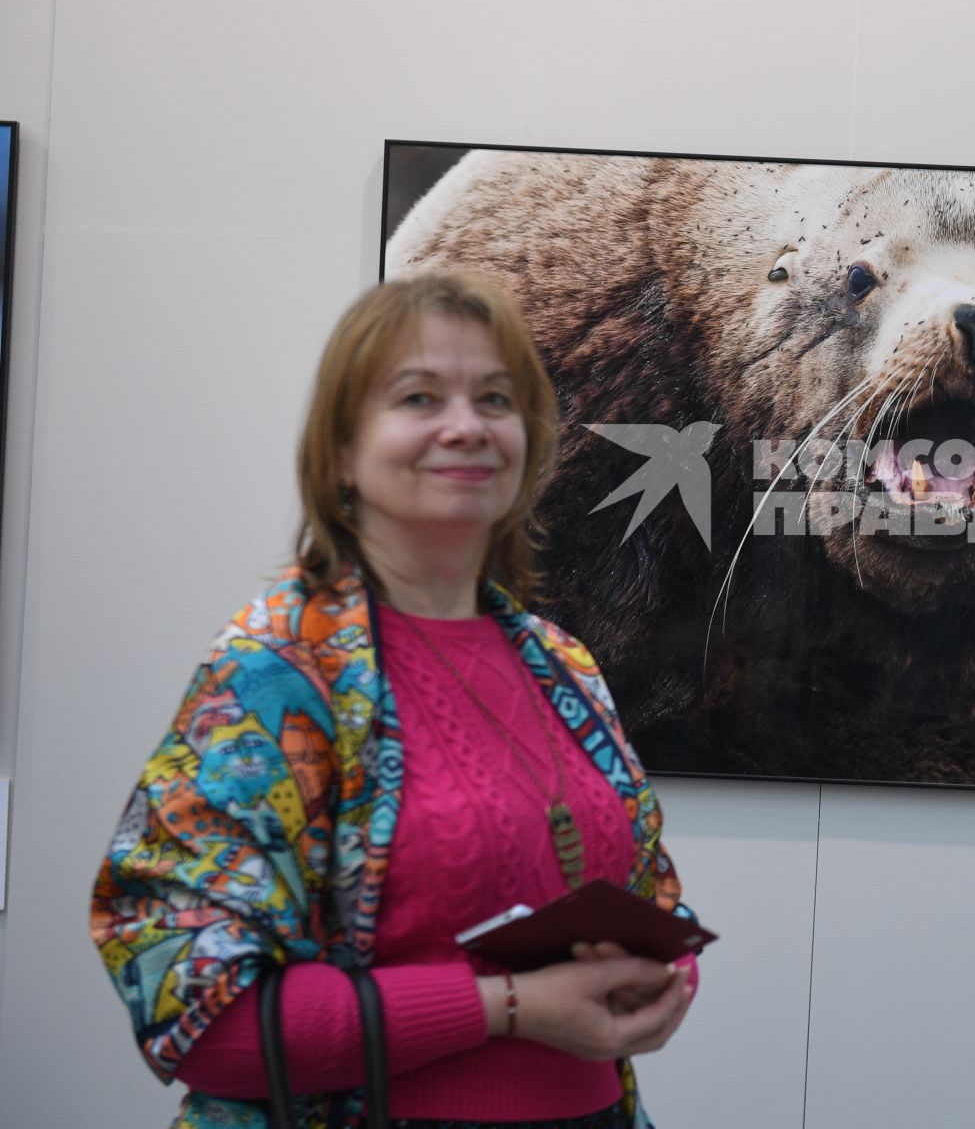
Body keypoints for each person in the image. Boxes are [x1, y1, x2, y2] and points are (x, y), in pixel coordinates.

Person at [92, 270, 698, 1128]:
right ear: (341, 451)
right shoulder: (277, 668)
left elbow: (652, 903)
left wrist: (666, 978)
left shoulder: (564, 667)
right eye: (420, 397)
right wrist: (512, 1006)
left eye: (496, 399)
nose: (467, 427)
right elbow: (198, 1012)